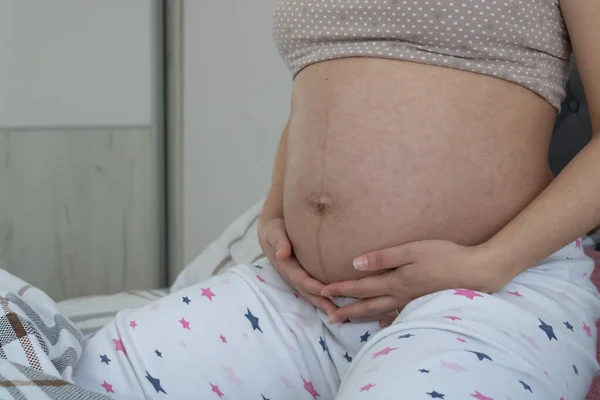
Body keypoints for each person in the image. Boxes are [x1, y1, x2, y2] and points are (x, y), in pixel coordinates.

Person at [72, 0, 600, 398]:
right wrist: (279, 206)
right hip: (310, 299)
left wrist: (488, 264)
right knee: (87, 377)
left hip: (488, 295)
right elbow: (323, 83)